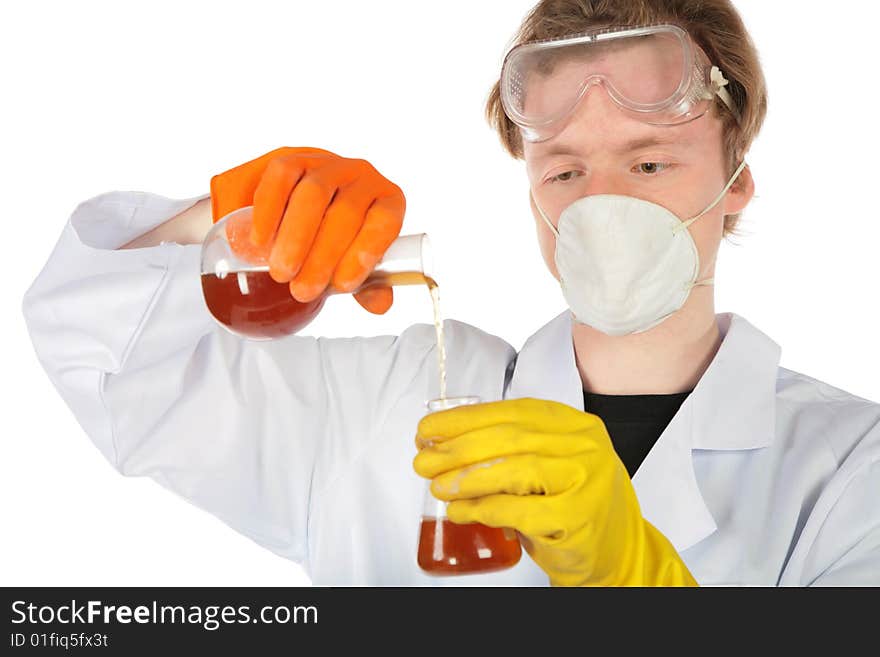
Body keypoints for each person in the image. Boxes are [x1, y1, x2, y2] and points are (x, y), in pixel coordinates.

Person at [22, 0, 880, 586]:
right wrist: (227, 221)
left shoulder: (849, 468)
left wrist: (636, 571)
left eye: (650, 161)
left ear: (736, 182)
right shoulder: (385, 409)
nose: (599, 203)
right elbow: (102, 357)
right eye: (565, 168)